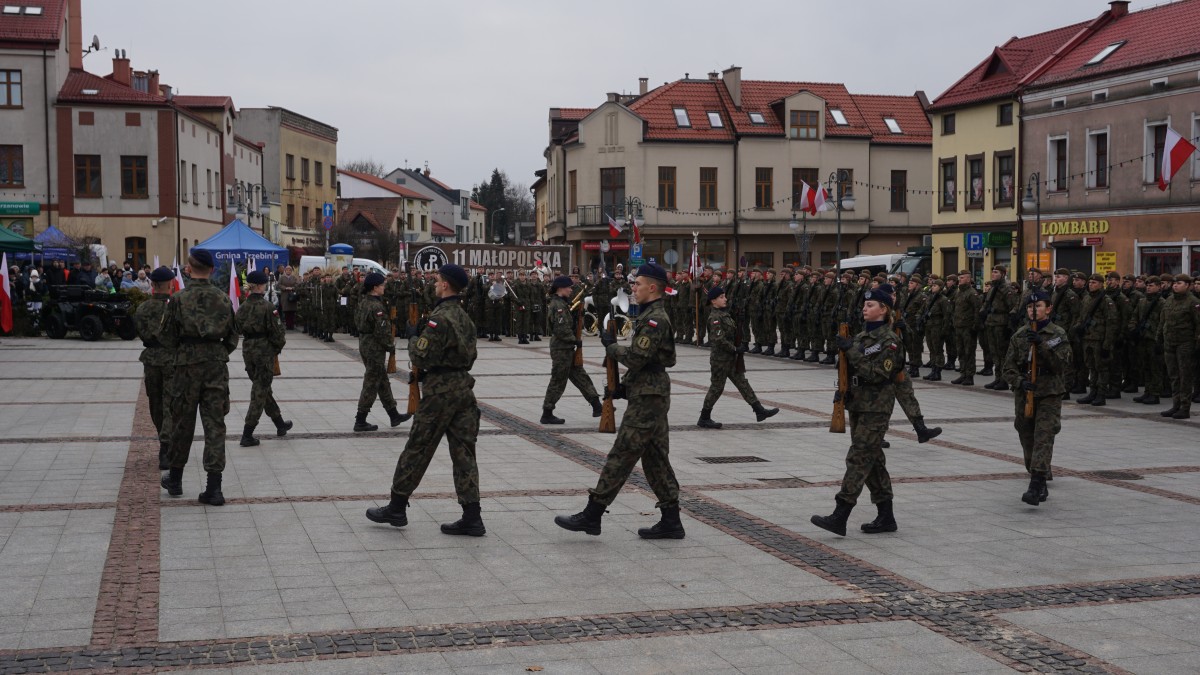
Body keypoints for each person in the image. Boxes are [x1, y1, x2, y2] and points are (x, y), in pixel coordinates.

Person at [554, 262, 683, 539]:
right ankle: (672, 520)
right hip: (649, 391)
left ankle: (593, 513)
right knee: (656, 458)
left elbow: (637, 358)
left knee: (622, 454)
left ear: (652, 287)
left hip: (649, 397)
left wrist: (611, 346)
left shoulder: (654, 319)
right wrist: (624, 386)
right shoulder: (650, 315)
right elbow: (654, 359)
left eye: (637, 284)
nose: (632, 288)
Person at [365, 264, 484, 536]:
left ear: (445, 285)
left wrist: (413, 337)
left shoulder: (439, 319)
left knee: (417, 448)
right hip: (464, 390)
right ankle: (472, 515)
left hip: (440, 392)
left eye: (437, 281)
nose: (434, 285)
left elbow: (420, 357)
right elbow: (471, 356)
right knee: (464, 453)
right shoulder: (464, 317)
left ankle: (396, 506)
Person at [811, 285, 902, 537]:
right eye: (864, 304)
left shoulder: (890, 340)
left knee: (859, 457)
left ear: (884, 309)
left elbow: (877, 373)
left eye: (871, 305)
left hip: (877, 407)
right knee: (872, 462)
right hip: (858, 405)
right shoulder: (861, 337)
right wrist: (843, 390)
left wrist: (850, 349)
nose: (865, 307)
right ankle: (886, 516)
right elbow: (852, 370)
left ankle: (840, 514)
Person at [160, 249, 239, 506]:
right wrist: (215, 352)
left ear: (188, 269)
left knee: (182, 422)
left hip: (186, 365)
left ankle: (176, 478)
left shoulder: (178, 299)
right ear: (212, 270)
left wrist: (185, 351)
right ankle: (214, 488)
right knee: (215, 424)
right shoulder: (224, 299)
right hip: (216, 364)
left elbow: (166, 337)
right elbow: (232, 337)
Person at [1003, 291, 1071, 506]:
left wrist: (1041, 344)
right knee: (1026, 434)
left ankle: (1036, 481)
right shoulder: (1019, 335)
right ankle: (1036, 473)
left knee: (1044, 435)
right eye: (1030, 307)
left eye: (1038, 306)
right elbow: (1008, 368)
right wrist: (1020, 382)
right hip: (1026, 393)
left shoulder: (1057, 334)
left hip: (1049, 392)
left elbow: (1062, 364)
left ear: (1048, 308)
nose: (1033, 310)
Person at [698, 286, 778, 429]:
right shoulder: (715, 317)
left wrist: (738, 319)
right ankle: (704, 417)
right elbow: (719, 339)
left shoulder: (724, 314)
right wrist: (735, 348)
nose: (725, 299)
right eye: (721, 297)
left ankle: (759, 410)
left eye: (724, 296)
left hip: (730, 358)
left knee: (742, 383)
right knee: (717, 388)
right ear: (713, 301)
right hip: (720, 360)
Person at [236, 270, 293, 446]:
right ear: (262, 286)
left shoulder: (243, 306)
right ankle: (247, 433)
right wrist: (275, 349)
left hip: (248, 351)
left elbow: (236, 327)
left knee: (263, 388)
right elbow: (278, 334)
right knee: (259, 392)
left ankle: (279, 423)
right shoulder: (268, 307)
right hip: (264, 351)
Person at [353, 272, 411, 432]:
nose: (384, 287)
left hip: (365, 343)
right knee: (372, 382)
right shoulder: (376, 306)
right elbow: (382, 331)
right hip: (374, 347)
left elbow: (357, 322)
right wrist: (390, 346)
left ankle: (393, 414)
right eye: (382, 285)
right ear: (375, 287)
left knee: (382, 380)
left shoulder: (363, 302)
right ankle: (360, 419)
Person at [541, 274, 602, 424]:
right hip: (561, 349)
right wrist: (575, 340)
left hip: (567, 348)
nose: (570, 290)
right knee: (558, 380)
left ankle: (597, 406)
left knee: (581, 376)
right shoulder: (558, 305)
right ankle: (547, 413)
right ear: (561, 288)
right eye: (568, 287)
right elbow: (560, 329)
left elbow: (567, 324)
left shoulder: (562, 303)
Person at [134, 266, 176, 469]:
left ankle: (163, 439)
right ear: (170, 284)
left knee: (156, 403)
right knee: (171, 404)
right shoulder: (175, 307)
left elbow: (141, 333)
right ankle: (167, 446)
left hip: (151, 360)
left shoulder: (142, 309)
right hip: (172, 360)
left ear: (152, 284)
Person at [1160, 274, 1200, 420]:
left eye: (1180, 283)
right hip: (1170, 342)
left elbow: (1198, 325)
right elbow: (1163, 320)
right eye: (1175, 283)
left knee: (1185, 377)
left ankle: (1185, 407)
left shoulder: (1193, 302)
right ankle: (1175, 404)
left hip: (1185, 344)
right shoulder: (1169, 299)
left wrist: (1197, 345)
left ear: (1188, 285)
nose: (1175, 285)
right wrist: (1159, 337)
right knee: (1173, 376)